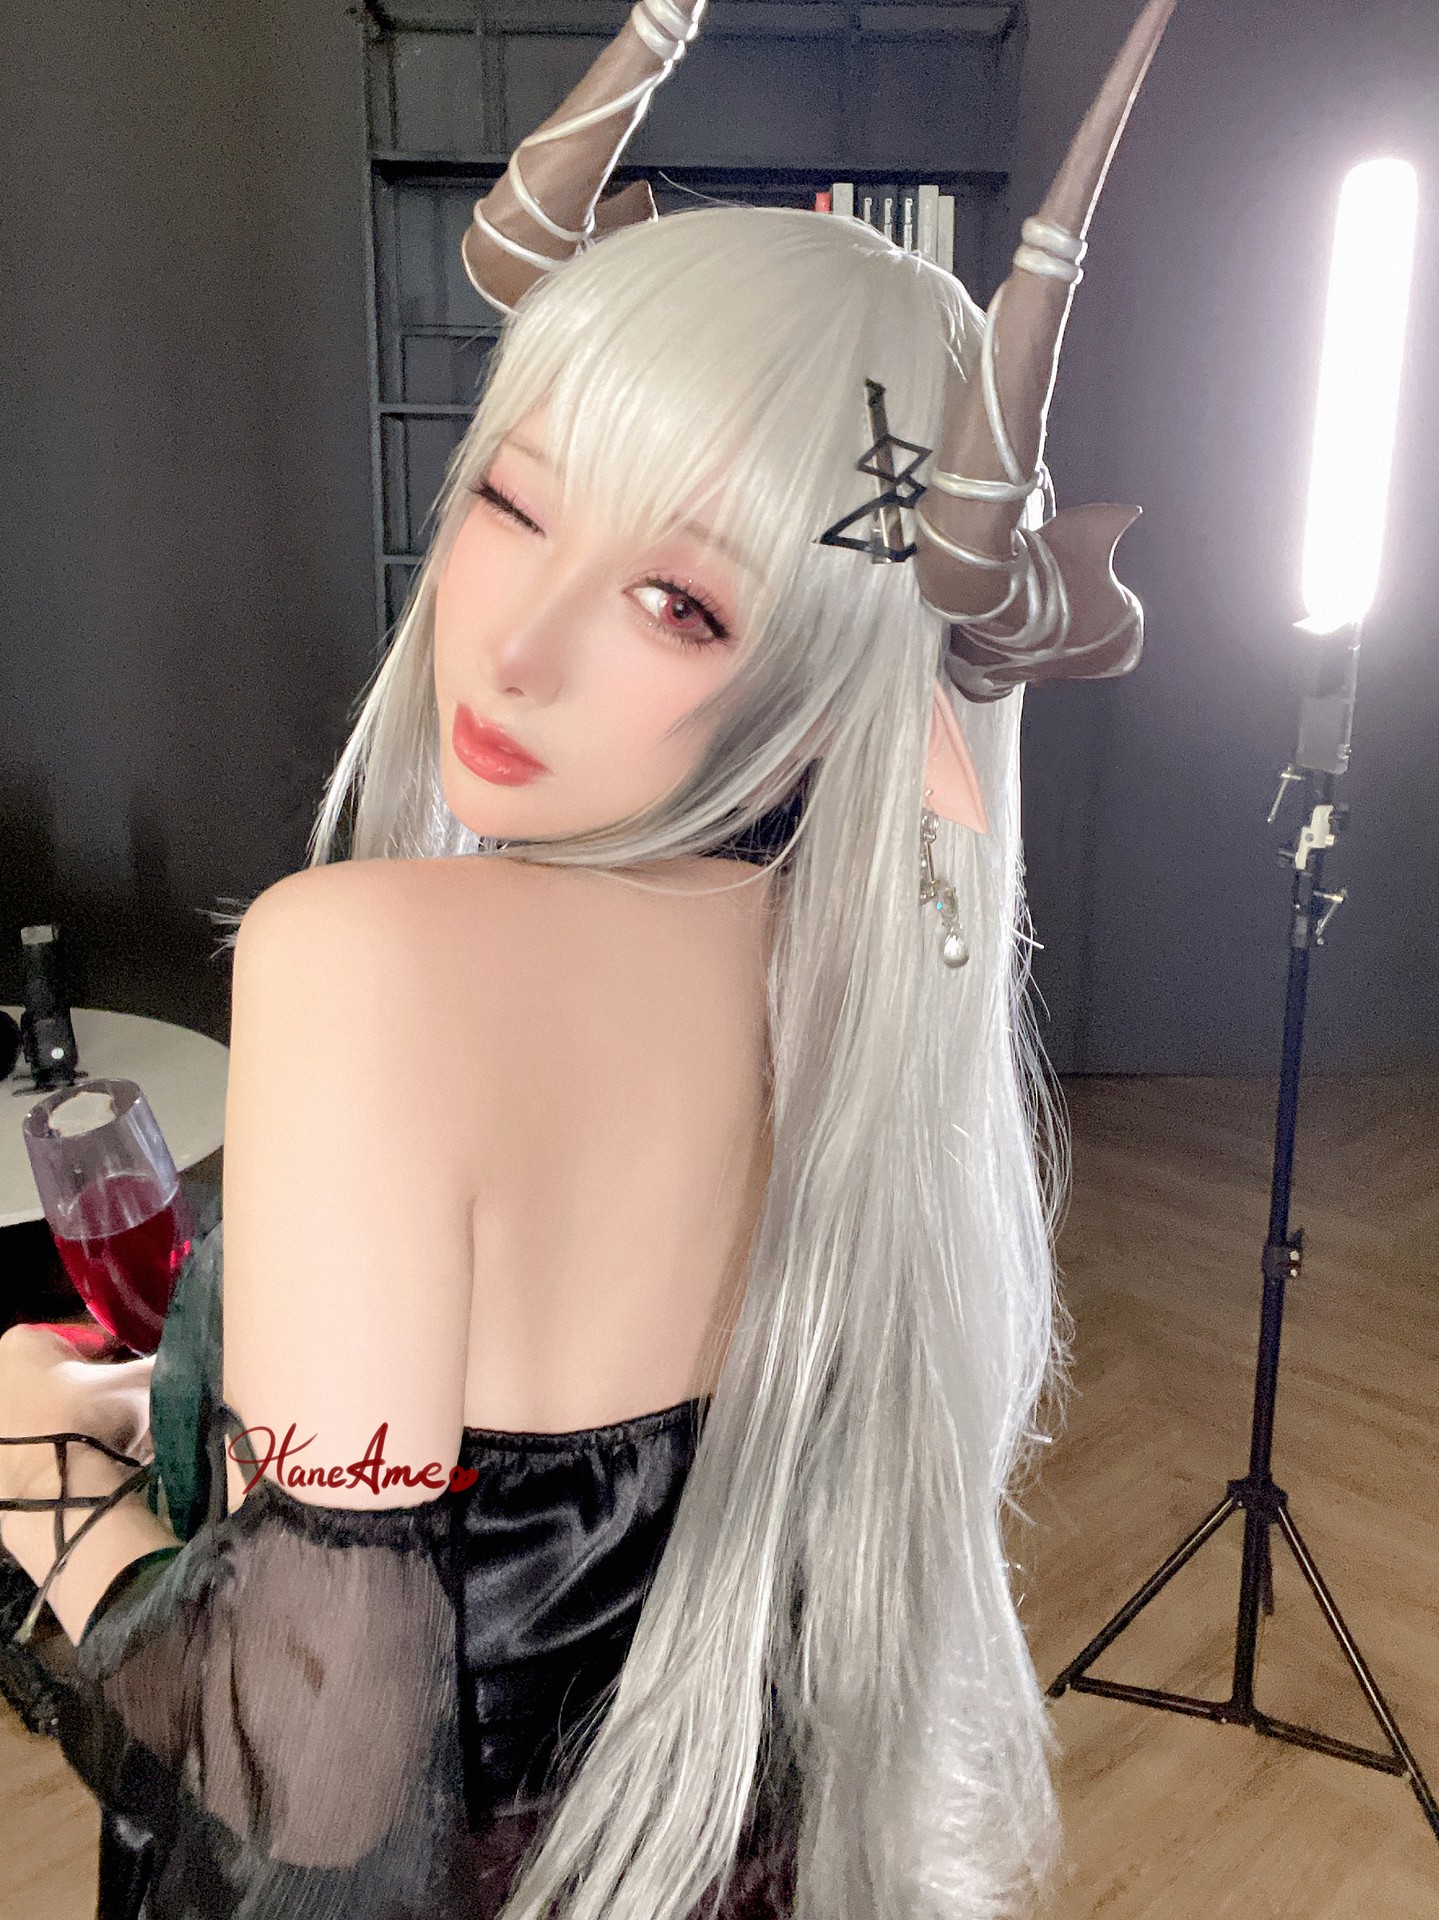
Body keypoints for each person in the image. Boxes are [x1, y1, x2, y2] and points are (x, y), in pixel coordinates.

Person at [0, 3, 1176, 1916]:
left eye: (677, 600)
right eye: (515, 499)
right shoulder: (861, 1016)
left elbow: (309, 1769)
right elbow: (569, 1499)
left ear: (837, 689)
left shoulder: (370, 965)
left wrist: (29, 1464)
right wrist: (205, 1417)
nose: (515, 644)